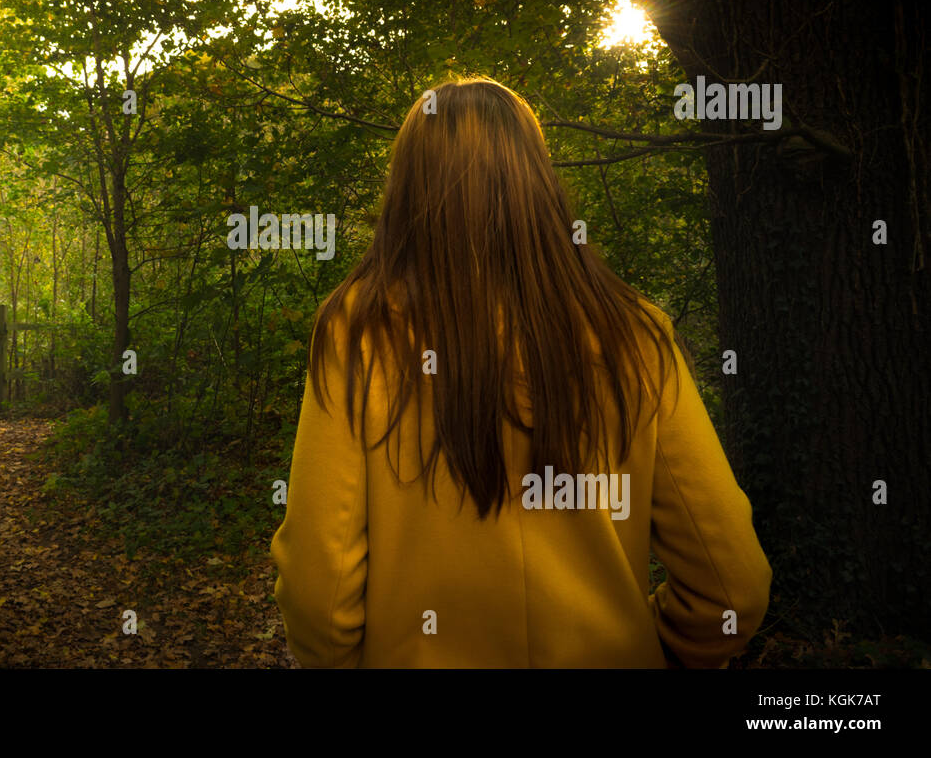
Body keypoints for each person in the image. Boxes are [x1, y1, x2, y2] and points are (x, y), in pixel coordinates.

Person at [270, 77, 772, 668]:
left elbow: (318, 595)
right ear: (538, 183)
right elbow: (731, 583)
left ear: (406, 188)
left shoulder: (359, 333)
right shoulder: (632, 333)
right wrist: (642, 645)